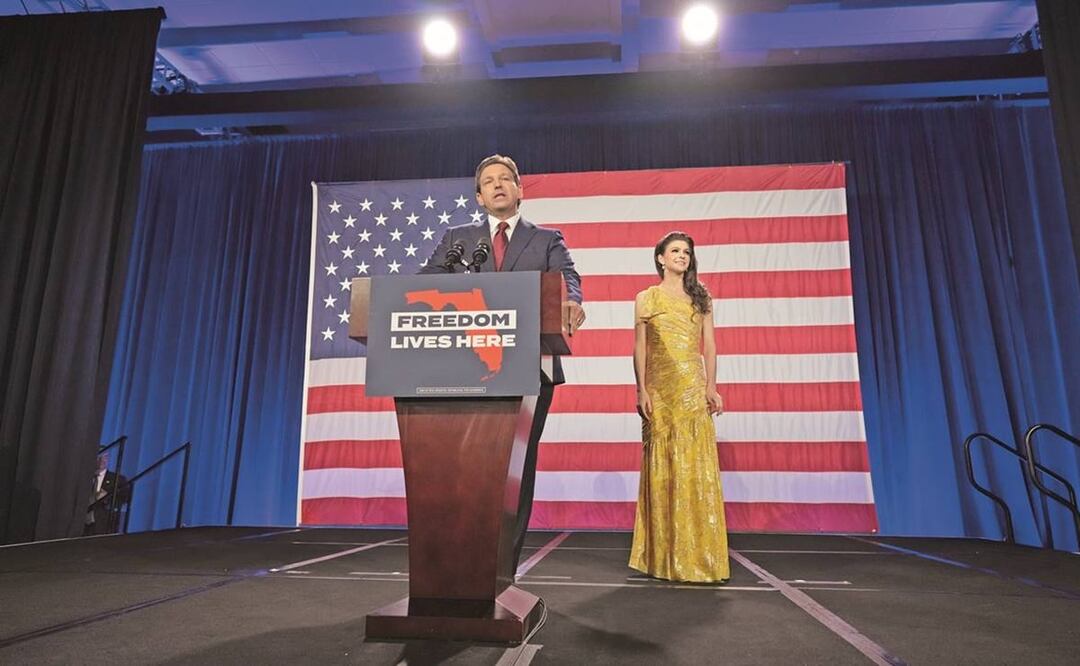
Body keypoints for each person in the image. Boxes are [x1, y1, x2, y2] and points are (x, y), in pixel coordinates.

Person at [420, 153, 584, 573]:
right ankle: (460, 565)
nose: (497, 185)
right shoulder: (457, 239)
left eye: (505, 179)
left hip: (530, 367)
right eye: (489, 181)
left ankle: (501, 571)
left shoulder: (546, 239)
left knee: (515, 469)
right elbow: (423, 284)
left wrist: (571, 303)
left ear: (519, 190)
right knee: (466, 468)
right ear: (479, 196)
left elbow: (568, 280)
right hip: (464, 368)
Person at [628, 231, 729, 583]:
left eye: (686, 252)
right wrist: (641, 389)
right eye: (674, 251)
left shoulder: (701, 297)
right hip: (660, 391)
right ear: (660, 258)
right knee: (663, 465)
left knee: (695, 463)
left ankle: (700, 557)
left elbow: (710, 346)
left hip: (692, 388)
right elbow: (640, 348)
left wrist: (711, 386)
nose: (681, 256)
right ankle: (663, 557)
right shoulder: (646, 298)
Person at [84, 452, 130, 536]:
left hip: (105, 525)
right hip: (82, 523)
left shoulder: (117, 479)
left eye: (105, 457)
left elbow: (125, 498)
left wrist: (106, 499)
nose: (102, 460)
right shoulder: (84, 477)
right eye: (99, 457)